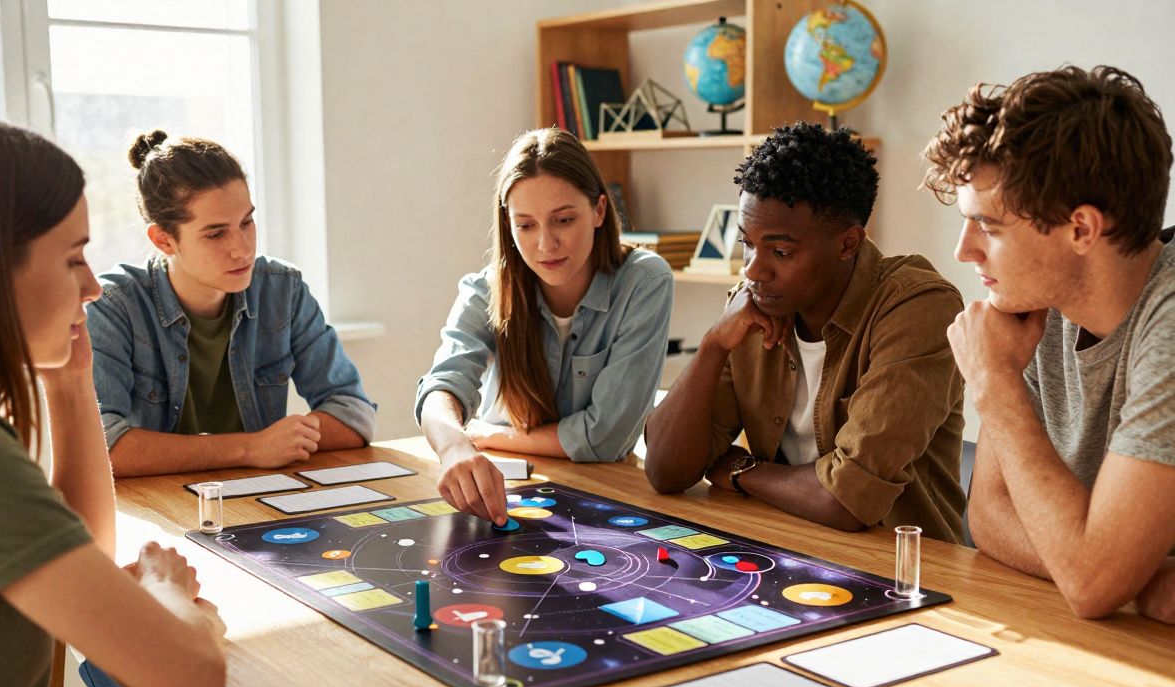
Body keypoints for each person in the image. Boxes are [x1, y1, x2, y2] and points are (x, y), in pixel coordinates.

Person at [0, 113, 226, 687]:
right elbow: (194, 679)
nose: (93, 287)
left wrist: (69, 382)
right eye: (73, 259)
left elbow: (83, 553)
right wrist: (166, 589)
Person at [924, 65, 1175, 625]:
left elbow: (1092, 584)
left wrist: (993, 384)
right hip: (1138, 634)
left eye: (990, 227)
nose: (963, 251)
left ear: (1081, 229)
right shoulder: (1036, 305)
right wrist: (1138, 583)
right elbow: (992, 515)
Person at [645, 122, 967, 542]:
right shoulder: (751, 305)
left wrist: (741, 470)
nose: (752, 270)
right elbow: (666, 471)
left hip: (906, 573)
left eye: (781, 252)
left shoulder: (917, 307)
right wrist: (712, 345)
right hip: (787, 547)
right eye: (747, 243)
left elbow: (847, 499)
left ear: (848, 244)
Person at [416, 128, 673, 525]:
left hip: (607, 497)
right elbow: (440, 386)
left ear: (599, 211)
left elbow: (605, 439)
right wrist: (454, 446)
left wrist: (490, 436)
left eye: (564, 220)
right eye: (526, 225)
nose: (545, 244)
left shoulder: (645, 281)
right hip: (508, 493)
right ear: (508, 224)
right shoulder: (485, 287)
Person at [87, 131, 375, 477]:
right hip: (158, 507)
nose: (242, 248)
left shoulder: (282, 289)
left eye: (246, 222)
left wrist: (282, 441)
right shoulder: (113, 306)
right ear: (163, 239)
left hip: (257, 500)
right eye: (216, 233)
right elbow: (104, 448)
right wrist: (250, 447)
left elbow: (354, 415)